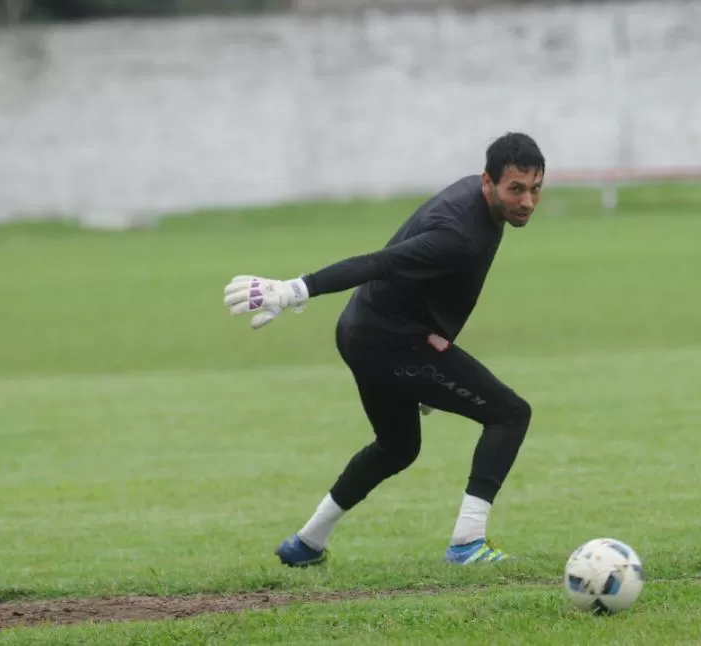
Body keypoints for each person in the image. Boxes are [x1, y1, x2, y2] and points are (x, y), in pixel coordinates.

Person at [223, 132, 545, 567]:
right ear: (488, 182)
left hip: (365, 329)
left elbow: (429, 282)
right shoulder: (458, 234)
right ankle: (467, 544)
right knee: (510, 413)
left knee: (397, 447)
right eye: (516, 189)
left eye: (535, 189)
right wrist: (296, 288)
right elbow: (381, 262)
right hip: (391, 342)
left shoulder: (476, 198)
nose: (527, 201)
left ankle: (306, 543)